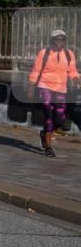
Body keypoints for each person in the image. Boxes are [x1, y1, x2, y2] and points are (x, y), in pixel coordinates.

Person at [27, 29, 80, 158]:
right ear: (52, 40)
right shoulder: (44, 53)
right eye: (57, 39)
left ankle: (44, 134)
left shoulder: (69, 54)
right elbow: (35, 71)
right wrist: (31, 86)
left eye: (62, 40)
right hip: (45, 87)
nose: (59, 42)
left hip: (61, 89)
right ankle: (48, 147)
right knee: (49, 116)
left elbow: (72, 71)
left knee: (61, 118)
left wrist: (76, 79)